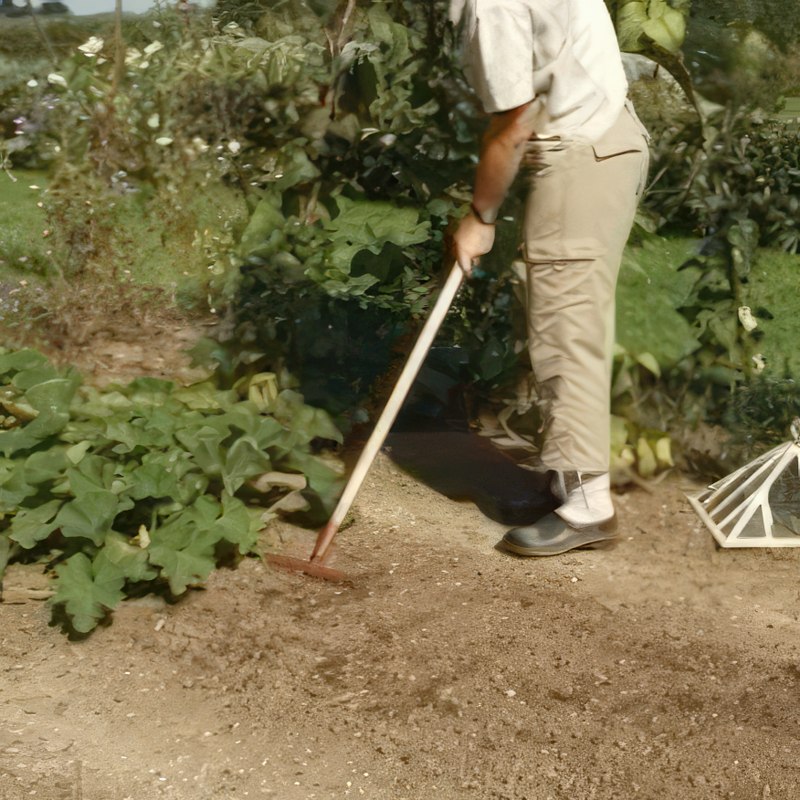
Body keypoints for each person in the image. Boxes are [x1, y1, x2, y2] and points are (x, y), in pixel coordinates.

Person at [449, 0, 650, 556]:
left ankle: (588, 508)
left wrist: (480, 217)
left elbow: (513, 124)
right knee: (558, 317)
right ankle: (567, 484)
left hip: (582, 155)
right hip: (601, 140)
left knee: (567, 327)